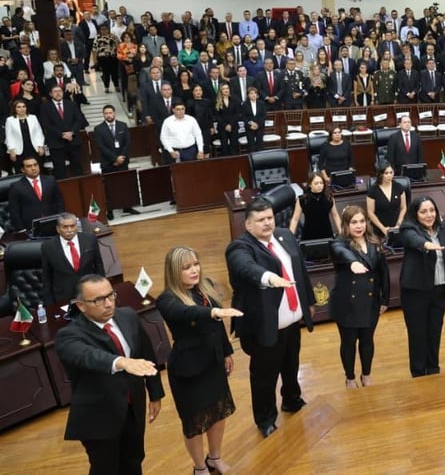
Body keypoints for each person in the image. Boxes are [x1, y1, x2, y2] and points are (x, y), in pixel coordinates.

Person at [56, 275, 165, 475]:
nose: (107, 304)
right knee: (106, 469)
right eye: (98, 300)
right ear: (81, 305)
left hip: (133, 409)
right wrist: (121, 362)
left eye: (110, 296)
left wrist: (155, 392)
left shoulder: (128, 316)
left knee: (134, 461)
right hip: (99, 417)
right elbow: (88, 356)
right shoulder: (69, 336)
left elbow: (146, 355)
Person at [225, 198, 315, 438]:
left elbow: (300, 270)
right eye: (260, 220)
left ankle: (291, 399)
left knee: (291, 363)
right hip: (264, 325)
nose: (267, 224)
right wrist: (269, 278)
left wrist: (310, 302)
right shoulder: (240, 247)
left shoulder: (285, 236)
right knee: (264, 375)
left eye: (269, 218)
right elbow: (246, 268)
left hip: (291, 320)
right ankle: (265, 418)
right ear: (248, 224)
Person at [156, 246, 241, 475]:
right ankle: (199, 468)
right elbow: (186, 313)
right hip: (188, 370)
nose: (194, 270)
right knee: (194, 424)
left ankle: (214, 458)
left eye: (196, 264)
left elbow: (218, 327)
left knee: (218, 413)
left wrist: (226, 351)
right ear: (174, 271)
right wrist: (212, 313)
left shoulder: (205, 289)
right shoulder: (166, 299)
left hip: (213, 363)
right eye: (187, 267)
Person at [330, 205, 389, 388]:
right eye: (354, 222)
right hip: (347, 303)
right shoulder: (339, 243)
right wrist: (353, 261)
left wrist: (385, 299)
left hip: (371, 301)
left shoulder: (374, 242)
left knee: (367, 340)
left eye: (362, 221)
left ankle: (366, 374)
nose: (359, 226)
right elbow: (340, 252)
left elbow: (383, 273)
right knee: (348, 342)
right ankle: (350, 377)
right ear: (346, 224)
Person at [399, 196, 445, 377]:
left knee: (434, 330)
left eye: (432, 210)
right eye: (423, 211)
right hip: (415, 291)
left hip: (439, 289)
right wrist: (427, 245)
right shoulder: (408, 228)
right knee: (417, 333)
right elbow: (413, 240)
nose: (429, 215)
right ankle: (418, 371)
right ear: (415, 214)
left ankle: (433, 368)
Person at [41, 212, 104, 306]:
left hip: (90, 291)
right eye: (65, 227)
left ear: (77, 226)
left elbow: (99, 265)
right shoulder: (48, 246)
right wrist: (49, 304)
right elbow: (47, 277)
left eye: (72, 226)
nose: (69, 230)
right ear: (58, 229)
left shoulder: (90, 239)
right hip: (63, 296)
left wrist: (102, 288)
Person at [39, 83, 89, 178]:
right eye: (55, 92)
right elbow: (46, 124)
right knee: (59, 170)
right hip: (56, 143)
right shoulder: (45, 107)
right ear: (50, 94)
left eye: (60, 91)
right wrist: (61, 134)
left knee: (78, 168)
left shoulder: (71, 104)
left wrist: (72, 132)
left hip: (73, 140)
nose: (58, 93)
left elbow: (79, 120)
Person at [8, 155, 65, 232]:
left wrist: (61, 220)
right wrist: (21, 230)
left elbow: (59, 202)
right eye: (29, 166)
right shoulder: (16, 187)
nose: (33, 168)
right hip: (30, 228)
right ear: (23, 170)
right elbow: (14, 211)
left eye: (35, 165)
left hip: (53, 224)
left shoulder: (50, 180)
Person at [289, 173, 342, 242]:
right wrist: (290, 237)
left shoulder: (329, 197)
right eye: (316, 183)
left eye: (321, 183)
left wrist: (341, 233)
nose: (319, 185)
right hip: (308, 234)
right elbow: (295, 219)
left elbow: (335, 216)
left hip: (327, 233)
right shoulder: (302, 199)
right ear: (310, 185)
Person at [366, 162, 407, 240]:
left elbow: (403, 207)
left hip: (397, 227)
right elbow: (370, 213)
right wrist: (383, 228)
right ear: (380, 174)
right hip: (379, 230)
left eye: (391, 172)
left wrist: (398, 224)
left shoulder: (398, 187)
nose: (389, 175)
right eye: (386, 173)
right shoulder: (373, 190)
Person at [5, 98, 45, 165]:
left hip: (34, 148)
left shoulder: (33, 117)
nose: (22, 109)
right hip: (18, 151)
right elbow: (9, 137)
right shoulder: (10, 120)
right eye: (19, 107)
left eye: (24, 106)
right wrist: (11, 150)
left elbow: (39, 133)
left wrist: (40, 146)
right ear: (15, 108)